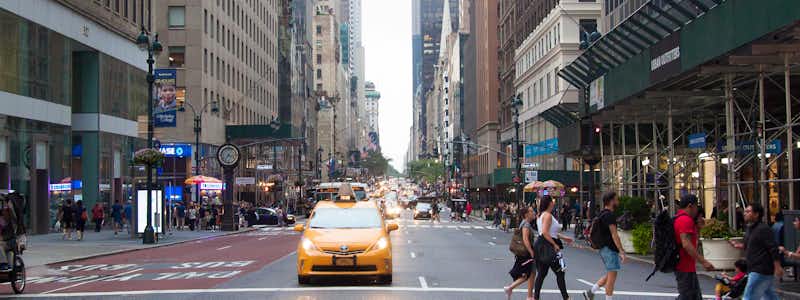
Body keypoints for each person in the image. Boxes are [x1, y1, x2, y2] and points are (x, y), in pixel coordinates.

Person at [729, 203, 781, 300]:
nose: (744, 213)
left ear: (756, 214)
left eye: (748, 212)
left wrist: (777, 266)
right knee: (770, 296)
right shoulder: (750, 228)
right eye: (745, 211)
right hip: (754, 269)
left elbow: (773, 248)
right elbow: (749, 245)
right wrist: (738, 245)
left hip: (760, 270)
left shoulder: (763, 229)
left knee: (748, 297)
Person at [584, 192, 626, 300]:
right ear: (611, 201)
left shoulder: (602, 213)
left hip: (604, 248)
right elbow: (614, 234)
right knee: (612, 278)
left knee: (610, 274)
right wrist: (621, 250)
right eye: (616, 200)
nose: (618, 202)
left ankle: (590, 292)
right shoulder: (609, 215)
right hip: (609, 249)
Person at [674, 194, 715, 300]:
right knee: (688, 295)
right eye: (696, 206)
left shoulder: (679, 217)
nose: (697, 210)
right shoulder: (685, 220)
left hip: (684, 265)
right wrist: (703, 261)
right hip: (684, 265)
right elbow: (686, 243)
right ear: (690, 206)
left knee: (692, 296)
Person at [534, 195, 572, 300]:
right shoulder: (548, 216)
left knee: (542, 273)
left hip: (542, 245)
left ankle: (536, 297)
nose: (554, 202)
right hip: (548, 245)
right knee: (560, 271)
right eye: (553, 200)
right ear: (550, 203)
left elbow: (550, 232)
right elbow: (546, 233)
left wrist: (564, 238)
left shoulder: (541, 215)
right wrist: (554, 244)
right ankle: (566, 297)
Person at [504, 206, 537, 300]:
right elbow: (525, 239)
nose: (533, 212)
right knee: (527, 274)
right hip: (526, 253)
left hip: (524, 253)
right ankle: (510, 288)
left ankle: (529, 296)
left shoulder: (526, 223)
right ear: (526, 214)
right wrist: (531, 252)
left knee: (531, 273)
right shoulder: (526, 224)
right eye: (531, 211)